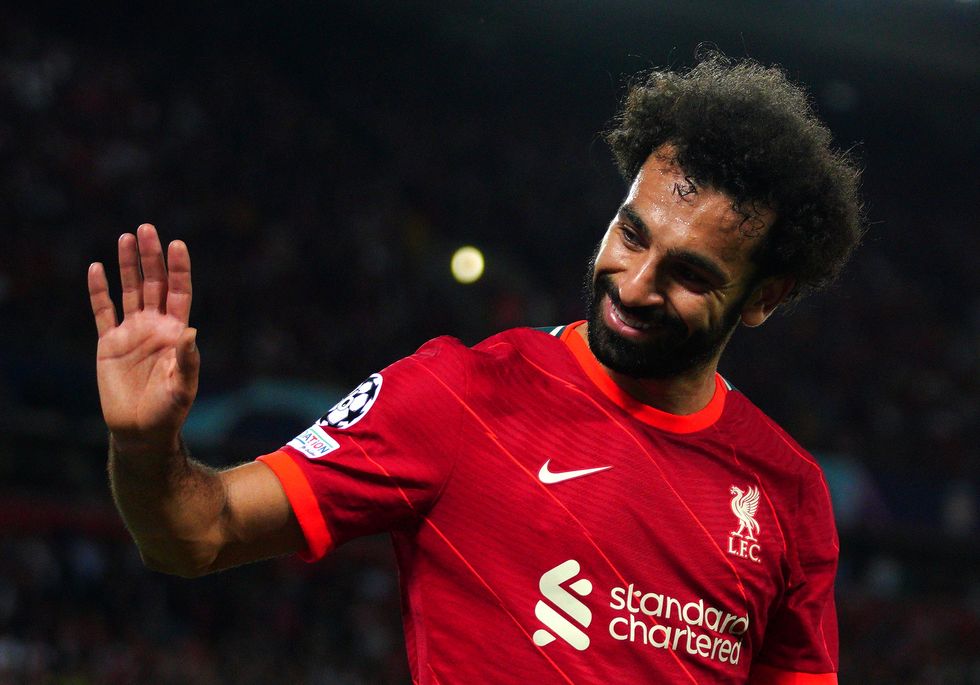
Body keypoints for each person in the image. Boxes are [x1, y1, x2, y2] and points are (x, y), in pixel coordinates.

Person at [88, 54, 863, 684]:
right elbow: (195, 533)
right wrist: (142, 444)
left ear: (763, 298)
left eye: (690, 275)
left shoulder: (786, 492)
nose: (633, 284)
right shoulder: (461, 395)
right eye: (630, 234)